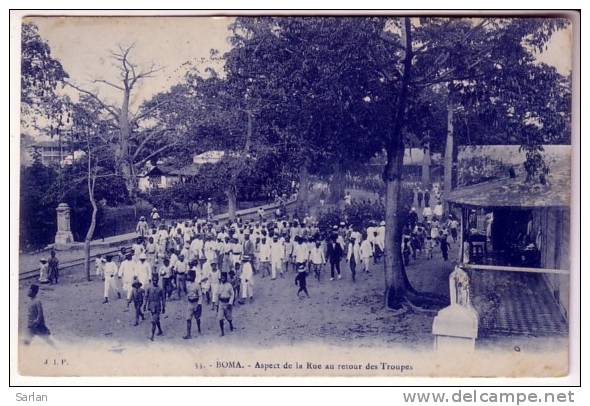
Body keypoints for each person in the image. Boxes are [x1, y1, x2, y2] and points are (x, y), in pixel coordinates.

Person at [144, 275, 166, 341]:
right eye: (154, 280)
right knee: (156, 320)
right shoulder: (148, 288)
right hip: (151, 306)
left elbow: (163, 298)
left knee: (153, 321)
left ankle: (152, 336)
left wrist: (163, 307)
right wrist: (144, 305)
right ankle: (160, 330)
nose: (155, 281)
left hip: (157, 306)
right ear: (152, 280)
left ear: (158, 281)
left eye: (156, 280)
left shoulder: (160, 289)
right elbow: (146, 297)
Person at [183, 269, 202, 339]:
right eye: (188, 276)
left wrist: (199, 305)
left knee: (197, 318)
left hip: (196, 302)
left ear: (193, 277)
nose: (189, 277)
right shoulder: (187, 284)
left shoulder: (197, 285)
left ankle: (199, 329)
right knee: (188, 318)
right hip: (189, 303)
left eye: (190, 276)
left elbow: (200, 295)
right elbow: (185, 290)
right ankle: (188, 334)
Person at [217, 272, 235, 336]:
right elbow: (218, 295)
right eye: (221, 277)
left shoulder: (229, 285)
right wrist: (217, 305)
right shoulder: (219, 285)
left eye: (223, 277)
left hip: (227, 303)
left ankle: (230, 324)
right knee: (220, 318)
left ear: (226, 278)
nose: (222, 279)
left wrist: (230, 303)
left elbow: (232, 294)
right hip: (221, 303)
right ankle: (222, 332)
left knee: (228, 317)